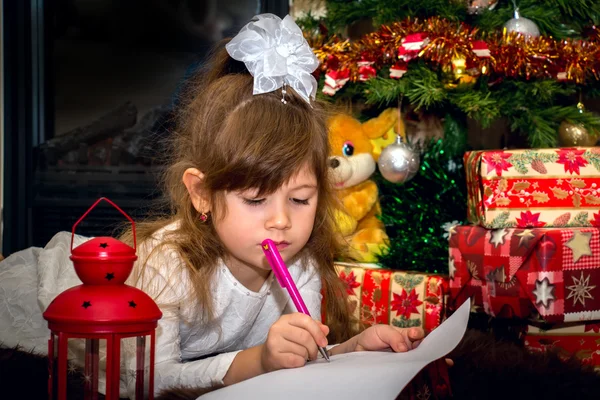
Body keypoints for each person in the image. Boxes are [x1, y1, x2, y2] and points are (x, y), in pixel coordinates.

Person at [0, 14, 424, 398]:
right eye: (255, 200)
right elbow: (142, 380)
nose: (281, 221)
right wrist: (257, 362)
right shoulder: (167, 265)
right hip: (48, 302)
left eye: (300, 199)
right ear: (201, 194)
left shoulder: (301, 266)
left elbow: (306, 357)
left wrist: (354, 349)